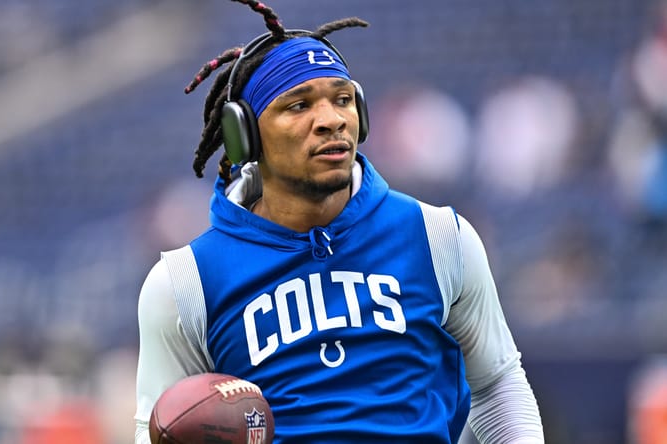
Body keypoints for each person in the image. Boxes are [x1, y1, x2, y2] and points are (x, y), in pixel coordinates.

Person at [135, 1, 544, 443]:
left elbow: (496, 386)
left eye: (343, 100)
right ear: (245, 136)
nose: (331, 120)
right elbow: (157, 430)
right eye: (298, 105)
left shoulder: (439, 237)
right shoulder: (184, 285)